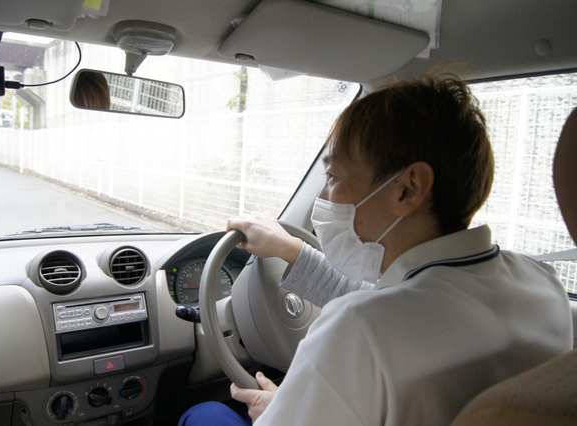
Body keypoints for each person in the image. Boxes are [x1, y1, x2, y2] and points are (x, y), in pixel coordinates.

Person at [179, 73, 573, 425]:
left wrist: (277, 411)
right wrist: (290, 249)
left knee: (205, 414)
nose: (322, 196)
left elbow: (374, 316)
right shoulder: (543, 286)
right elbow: (390, 301)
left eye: (334, 176)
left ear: (408, 189)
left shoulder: (359, 331)